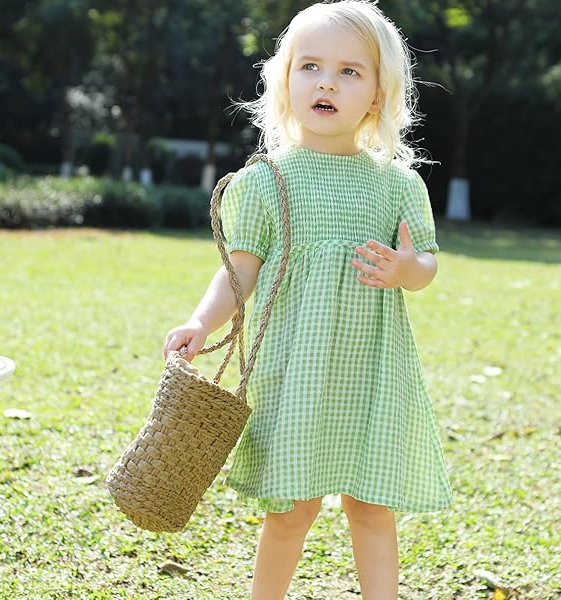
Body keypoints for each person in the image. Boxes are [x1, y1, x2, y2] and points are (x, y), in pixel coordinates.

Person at [163, 1, 452, 597]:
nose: (327, 82)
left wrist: (405, 269)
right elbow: (239, 269)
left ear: (377, 94)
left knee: (371, 507)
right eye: (310, 66)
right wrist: (200, 319)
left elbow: (426, 265)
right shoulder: (267, 180)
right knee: (291, 510)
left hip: (371, 371)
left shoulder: (397, 183)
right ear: (285, 81)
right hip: (294, 369)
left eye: (350, 71)